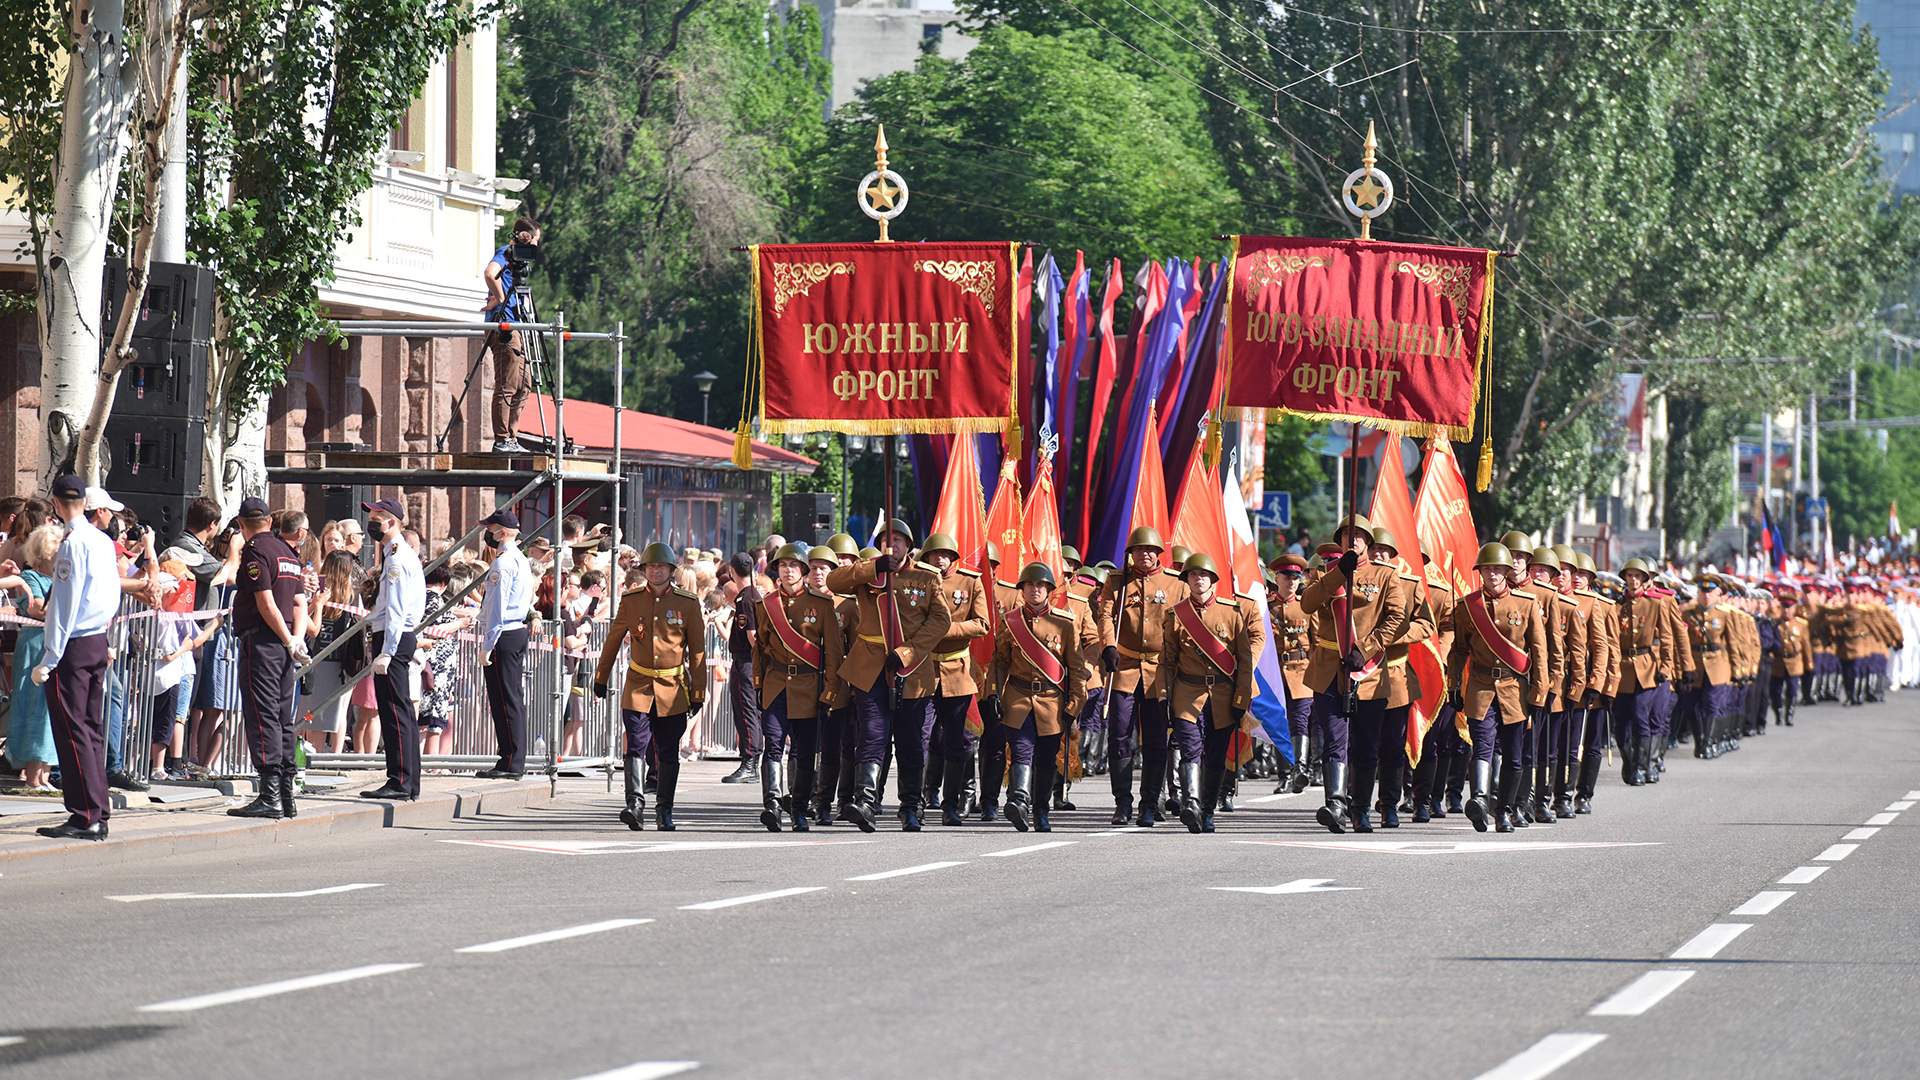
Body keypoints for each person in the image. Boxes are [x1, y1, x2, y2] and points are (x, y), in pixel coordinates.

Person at [825, 520, 951, 833]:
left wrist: (908, 652)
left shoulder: (926, 577)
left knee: (910, 742)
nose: (891, 546)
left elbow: (940, 621)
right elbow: (834, 581)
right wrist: (873, 567)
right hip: (870, 667)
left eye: (897, 541)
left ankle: (911, 806)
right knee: (872, 735)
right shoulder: (870, 573)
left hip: (911, 668)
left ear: (909, 545)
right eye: (886, 541)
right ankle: (866, 801)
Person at [1299, 514, 1408, 834]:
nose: (1353, 539)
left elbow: (1397, 617)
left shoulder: (1386, 576)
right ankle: (1335, 803)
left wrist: (1368, 649)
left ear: (1369, 542)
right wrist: (1337, 576)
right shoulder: (1327, 573)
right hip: (1329, 668)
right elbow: (1307, 604)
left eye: (1359, 535)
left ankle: (1360, 807)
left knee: (1365, 745)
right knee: (1335, 739)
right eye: (1347, 534)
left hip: (1368, 671)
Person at [33, 476, 126, 841]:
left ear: (56, 502)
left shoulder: (72, 545)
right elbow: (111, 594)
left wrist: (50, 656)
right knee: (90, 730)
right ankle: (96, 809)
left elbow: (64, 606)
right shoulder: (102, 541)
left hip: (73, 645)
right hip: (96, 639)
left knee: (73, 732)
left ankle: (85, 813)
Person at [595, 542, 706, 831]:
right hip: (638, 685)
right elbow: (614, 639)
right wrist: (601, 677)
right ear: (644, 570)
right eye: (651, 567)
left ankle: (664, 810)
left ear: (671, 571)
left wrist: (698, 691)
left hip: (671, 687)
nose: (655, 571)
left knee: (668, 750)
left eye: (661, 567)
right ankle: (635, 804)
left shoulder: (688, 603)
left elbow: (697, 652)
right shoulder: (631, 600)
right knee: (636, 743)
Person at [1446, 542, 1548, 833]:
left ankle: (1504, 810)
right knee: (1482, 746)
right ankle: (1479, 800)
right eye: (1487, 569)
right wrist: (1453, 682)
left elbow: (1539, 652)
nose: (1492, 575)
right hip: (1480, 686)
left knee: (1515, 757)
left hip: (1515, 688)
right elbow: (1459, 650)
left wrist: (1539, 694)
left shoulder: (1525, 604)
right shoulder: (1468, 606)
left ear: (1506, 572)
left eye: (1497, 570)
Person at [1156, 553, 1261, 834]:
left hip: (1223, 695)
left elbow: (1245, 661)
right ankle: (1190, 802)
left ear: (1213, 580)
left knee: (1215, 756)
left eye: (1203, 575)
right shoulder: (1176, 615)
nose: (1198, 579)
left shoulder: (1232, 613)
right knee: (1190, 748)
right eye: (1192, 575)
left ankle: (1207, 809)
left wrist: (1241, 698)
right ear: (1187, 580)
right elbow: (1167, 660)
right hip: (1187, 693)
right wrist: (1164, 695)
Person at [986, 563, 1094, 832]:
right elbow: (999, 661)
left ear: (1048, 590)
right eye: (1030, 585)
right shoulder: (1010, 621)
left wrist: (1075, 702)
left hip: (1052, 701)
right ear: (1021, 590)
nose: (1035, 589)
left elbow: (1077, 669)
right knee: (1021, 749)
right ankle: (1019, 800)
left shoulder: (1065, 624)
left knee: (1046, 758)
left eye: (1041, 585)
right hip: (1018, 697)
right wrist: (993, 693)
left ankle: (1041, 810)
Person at [751, 543, 845, 832]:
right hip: (777, 684)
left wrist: (829, 690)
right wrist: (758, 683)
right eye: (782, 565)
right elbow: (761, 650)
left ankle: (800, 809)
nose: (788, 570)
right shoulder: (766, 604)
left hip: (808, 686)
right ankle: (773, 805)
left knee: (804, 752)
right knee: (773, 746)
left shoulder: (821, 604)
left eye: (793, 565)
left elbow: (833, 651)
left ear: (803, 571)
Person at [224, 500, 309, 818]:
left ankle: (270, 795)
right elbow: (300, 602)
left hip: (263, 642)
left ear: (242, 524)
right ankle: (287, 796)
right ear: (271, 520)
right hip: (285, 647)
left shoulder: (256, 550)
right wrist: (296, 639)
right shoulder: (288, 552)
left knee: (262, 716)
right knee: (282, 717)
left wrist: (287, 639)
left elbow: (265, 601)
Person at [1096, 527, 1184, 826]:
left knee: (1157, 740)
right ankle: (1122, 803)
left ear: (1159, 553)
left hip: (1158, 671)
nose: (1145, 554)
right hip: (1125, 667)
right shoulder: (1117, 581)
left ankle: (1149, 803)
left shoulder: (1175, 584)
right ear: (1130, 553)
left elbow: (1183, 625)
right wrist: (1108, 644)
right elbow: (1106, 615)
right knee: (1120, 736)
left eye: (1151, 550)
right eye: (1139, 549)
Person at [916, 533, 992, 827]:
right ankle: (916, 801)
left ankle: (951, 805)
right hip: (922, 671)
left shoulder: (970, 582)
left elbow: (982, 623)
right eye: (935, 554)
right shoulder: (917, 581)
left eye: (946, 554)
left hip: (957, 670)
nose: (940, 559)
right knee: (919, 739)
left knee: (956, 741)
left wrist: (944, 630)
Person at [358, 499, 425, 801]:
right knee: (400, 712)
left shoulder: (397, 558)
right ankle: (407, 780)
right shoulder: (394, 554)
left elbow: (397, 610)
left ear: (393, 522)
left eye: (379, 517)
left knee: (395, 713)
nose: (373, 522)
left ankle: (399, 780)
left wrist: (387, 649)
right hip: (394, 635)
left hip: (394, 637)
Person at [1, 524, 64, 792]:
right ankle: (31, 773)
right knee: (34, 707)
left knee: (52, 710)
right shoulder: (31, 576)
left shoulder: (59, 580)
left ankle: (45, 774)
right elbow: (37, 609)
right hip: (35, 648)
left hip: (53, 646)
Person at [475, 508, 533, 779]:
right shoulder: (519, 559)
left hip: (504, 634)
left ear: (502, 531)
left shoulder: (503, 563)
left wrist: (488, 643)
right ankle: (510, 757)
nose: (489, 533)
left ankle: (511, 759)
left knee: (504, 699)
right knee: (509, 698)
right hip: (513, 631)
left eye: (492, 528)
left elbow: (497, 607)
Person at [483, 216, 541, 453]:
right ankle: (502, 439)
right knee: (507, 383)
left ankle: (512, 436)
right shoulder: (507, 252)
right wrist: (501, 298)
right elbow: (489, 273)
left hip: (518, 324)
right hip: (505, 325)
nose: (536, 247)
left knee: (525, 383)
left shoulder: (518, 260)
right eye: (534, 240)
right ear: (524, 238)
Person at [722, 552, 763, 785]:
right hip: (746, 661)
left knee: (747, 710)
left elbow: (752, 636)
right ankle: (750, 760)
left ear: (732, 571)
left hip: (746, 661)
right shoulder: (750, 595)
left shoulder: (746, 598)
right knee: (747, 710)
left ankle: (750, 762)